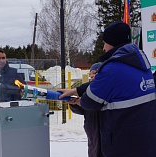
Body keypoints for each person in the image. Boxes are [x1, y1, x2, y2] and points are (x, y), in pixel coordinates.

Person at [58, 21, 156, 156]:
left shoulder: (113, 67)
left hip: (122, 145)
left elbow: (89, 101)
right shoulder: (140, 64)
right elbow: (109, 83)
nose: (104, 48)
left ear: (113, 42)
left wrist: (78, 100)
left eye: (105, 43)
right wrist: (77, 90)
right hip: (145, 141)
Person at [69, 62, 103, 157]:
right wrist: (75, 104)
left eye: (94, 73)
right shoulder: (87, 92)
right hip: (92, 135)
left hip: (104, 138)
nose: (91, 76)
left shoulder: (106, 92)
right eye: (90, 73)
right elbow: (82, 110)